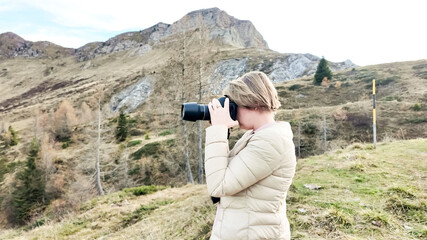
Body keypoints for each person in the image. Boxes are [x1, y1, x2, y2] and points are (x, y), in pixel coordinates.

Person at [205, 71, 297, 240]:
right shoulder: (257, 136)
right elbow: (228, 173)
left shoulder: (271, 141)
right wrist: (222, 130)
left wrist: (217, 130)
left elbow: (219, 186)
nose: (231, 112)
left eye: (234, 105)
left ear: (254, 103)